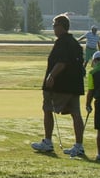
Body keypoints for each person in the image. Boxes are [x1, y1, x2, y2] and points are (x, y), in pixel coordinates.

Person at [32, 14, 86, 157]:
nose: (54, 28)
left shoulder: (62, 42)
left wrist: (51, 76)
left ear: (62, 27)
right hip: (74, 85)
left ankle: (48, 142)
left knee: (47, 109)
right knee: (76, 114)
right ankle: (79, 146)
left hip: (60, 85)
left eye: (55, 26)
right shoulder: (75, 42)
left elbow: (62, 62)